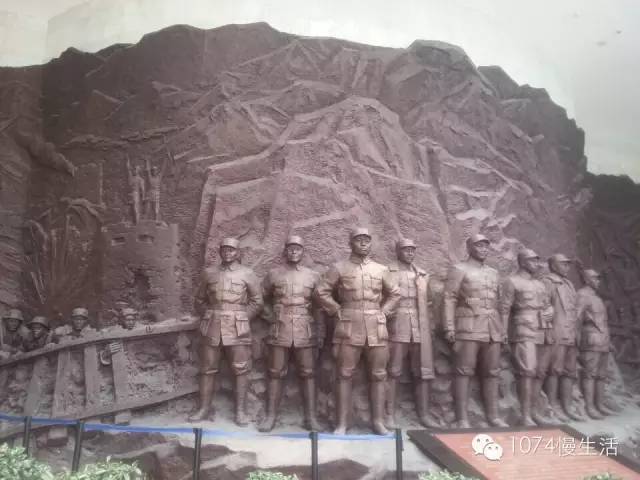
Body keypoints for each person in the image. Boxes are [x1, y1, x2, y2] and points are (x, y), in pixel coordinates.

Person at [315, 227, 400, 435]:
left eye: (366, 240)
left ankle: (378, 422)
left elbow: (395, 293)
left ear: (371, 243)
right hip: (349, 325)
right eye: (358, 239)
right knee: (344, 374)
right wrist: (336, 310)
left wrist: (384, 312)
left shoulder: (381, 270)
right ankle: (342, 424)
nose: (363, 243)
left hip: (376, 326)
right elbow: (321, 291)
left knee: (379, 374)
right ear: (350, 243)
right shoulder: (339, 268)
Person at [190, 237, 263, 425]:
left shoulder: (247, 273)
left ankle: (241, 412)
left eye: (231, 250)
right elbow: (199, 300)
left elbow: (257, 302)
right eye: (224, 250)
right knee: (207, 368)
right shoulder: (209, 273)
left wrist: (242, 318)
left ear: (238, 253)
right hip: (212, 327)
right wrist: (209, 315)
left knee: (241, 369)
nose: (228, 253)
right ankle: (203, 409)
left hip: (238, 327)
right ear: (220, 252)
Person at [259, 235, 323, 432]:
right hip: (280, 329)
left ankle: (311, 418)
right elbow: (259, 298)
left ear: (303, 252)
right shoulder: (273, 275)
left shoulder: (313, 276)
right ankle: (270, 417)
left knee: (308, 373)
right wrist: (271, 316)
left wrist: (320, 332)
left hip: (305, 330)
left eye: (298, 248)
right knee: (275, 372)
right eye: (291, 248)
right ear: (285, 251)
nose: (294, 251)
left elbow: (320, 306)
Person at [443, 234, 508, 428]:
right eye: (479, 246)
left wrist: (503, 330)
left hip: (492, 328)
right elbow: (449, 298)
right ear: (469, 248)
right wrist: (449, 326)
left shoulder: (493, 273)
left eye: (486, 246)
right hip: (469, 327)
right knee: (464, 371)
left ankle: (493, 416)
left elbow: (499, 302)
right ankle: (462, 418)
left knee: (492, 372)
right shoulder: (459, 269)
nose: (484, 249)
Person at [385, 238, 439, 428]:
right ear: (397, 251)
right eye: (405, 249)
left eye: (412, 250)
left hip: (419, 325)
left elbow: (430, 302)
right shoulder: (387, 271)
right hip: (397, 325)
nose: (409, 253)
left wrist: (430, 326)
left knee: (422, 371)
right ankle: (389, 415)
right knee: (393, 370)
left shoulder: (422, 274)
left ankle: (424, 415)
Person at [500, 249, 554, 426]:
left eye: (537, 261)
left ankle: (534, 411)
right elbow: (505, 309)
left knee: (539, 372)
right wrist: (503, 333)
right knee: (527, 371)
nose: (536, 264)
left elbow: (547, 305)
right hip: (523, 329)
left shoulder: (540, 284)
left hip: (543, 329)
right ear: (522, 262)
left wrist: (550, 311)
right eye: (532, 261)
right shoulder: (512, 281)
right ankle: (525, 416)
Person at [543, 254, 582, 421]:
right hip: (557, 332)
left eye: (568, 264)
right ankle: (552, 406)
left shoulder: (569, 284)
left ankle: (567, 407)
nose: (567, 267)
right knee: (554, 370)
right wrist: (548, 332)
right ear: (553, 266)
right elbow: (544, 307)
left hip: (571, 332)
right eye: (563, 264)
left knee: (569, 371)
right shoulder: (548, 282)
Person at [576, 269, 616, 419]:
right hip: (591, 340)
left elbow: (602, 322)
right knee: (590, 375)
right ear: (586, 280)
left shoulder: (596, 297)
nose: (598, 281)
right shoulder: (582, 295)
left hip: (602, 340)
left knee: (601, 375)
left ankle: (599, 404)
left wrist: (608, 341)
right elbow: (577, 318)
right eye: (595, 278)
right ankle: (590, 407)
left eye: (599, 278)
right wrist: (576, 340)